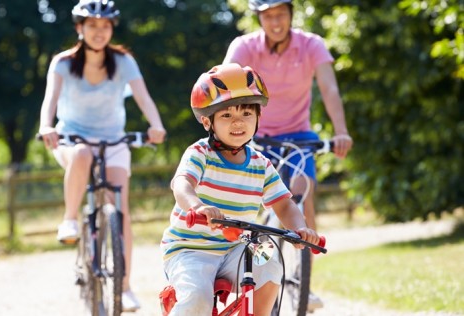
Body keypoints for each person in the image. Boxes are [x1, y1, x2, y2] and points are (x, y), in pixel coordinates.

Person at [160, 63, 321, 316]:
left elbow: (284, 204)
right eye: (226, 115)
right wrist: (197, 206)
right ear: (207, 121)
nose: (238, 122)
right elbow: (182, 185)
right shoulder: (199, 153)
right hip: (190, 249)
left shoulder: (261, 164)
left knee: (270, 262)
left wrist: (300, 227)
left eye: (246, 113)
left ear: (258, 117)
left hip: (238, 245)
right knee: (197, 300)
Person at [223, 0, 353, 309]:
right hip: (255, 136)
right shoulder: (245, 46)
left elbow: (329, 88)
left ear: (291, 15)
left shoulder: (311, 45)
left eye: (281, 13)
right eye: (268, 16)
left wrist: (341, 131)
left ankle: (301, 284)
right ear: (259, 18)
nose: (275, 21)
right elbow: (223, 81)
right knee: (244, 201)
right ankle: (238, 268)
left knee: (301, 192)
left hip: (298, 136)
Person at [38, 0, 166, 311]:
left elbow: (143, 97)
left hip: (113, 140)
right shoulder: (63, 63)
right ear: (79, 28)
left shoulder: (123, 62)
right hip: (72, 138)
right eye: (92, 25)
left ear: (112, 29)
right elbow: (50, 100)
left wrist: (156, 125)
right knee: (81, 154)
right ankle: (70, 220)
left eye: (105, 25)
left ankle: (125, 286)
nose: (99, 31)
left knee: (119, 208)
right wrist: (46, 126)